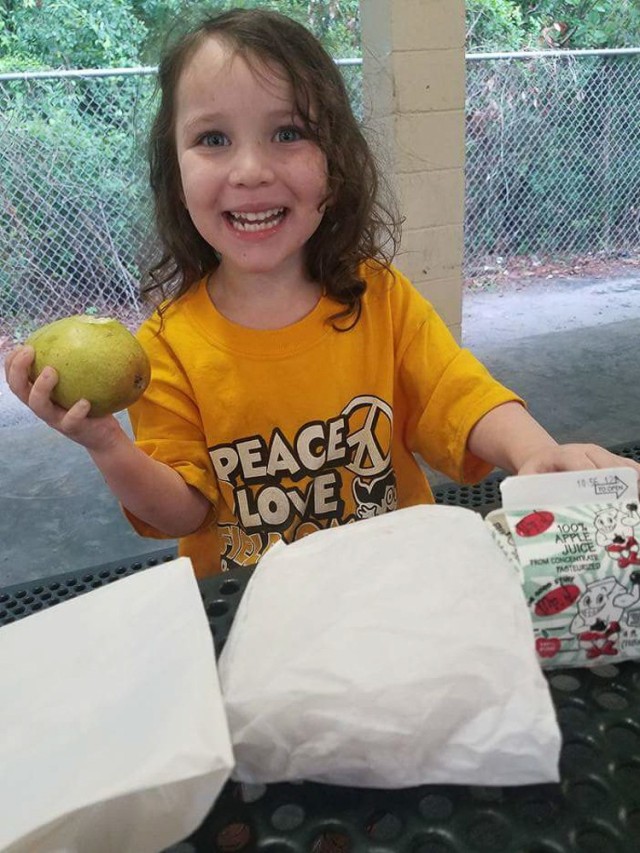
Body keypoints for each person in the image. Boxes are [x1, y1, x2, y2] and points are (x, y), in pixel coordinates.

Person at [5, 8, 639, 578]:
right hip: (255, 609)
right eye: (213, 139)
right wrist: (107, 445)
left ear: (335, 169)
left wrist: (537, 452)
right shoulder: (165, 349)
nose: (251, 170)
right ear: (176, 180)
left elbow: (459, 393)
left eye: (288, 133)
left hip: (395, 581)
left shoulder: (379, 298)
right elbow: (180, 511)